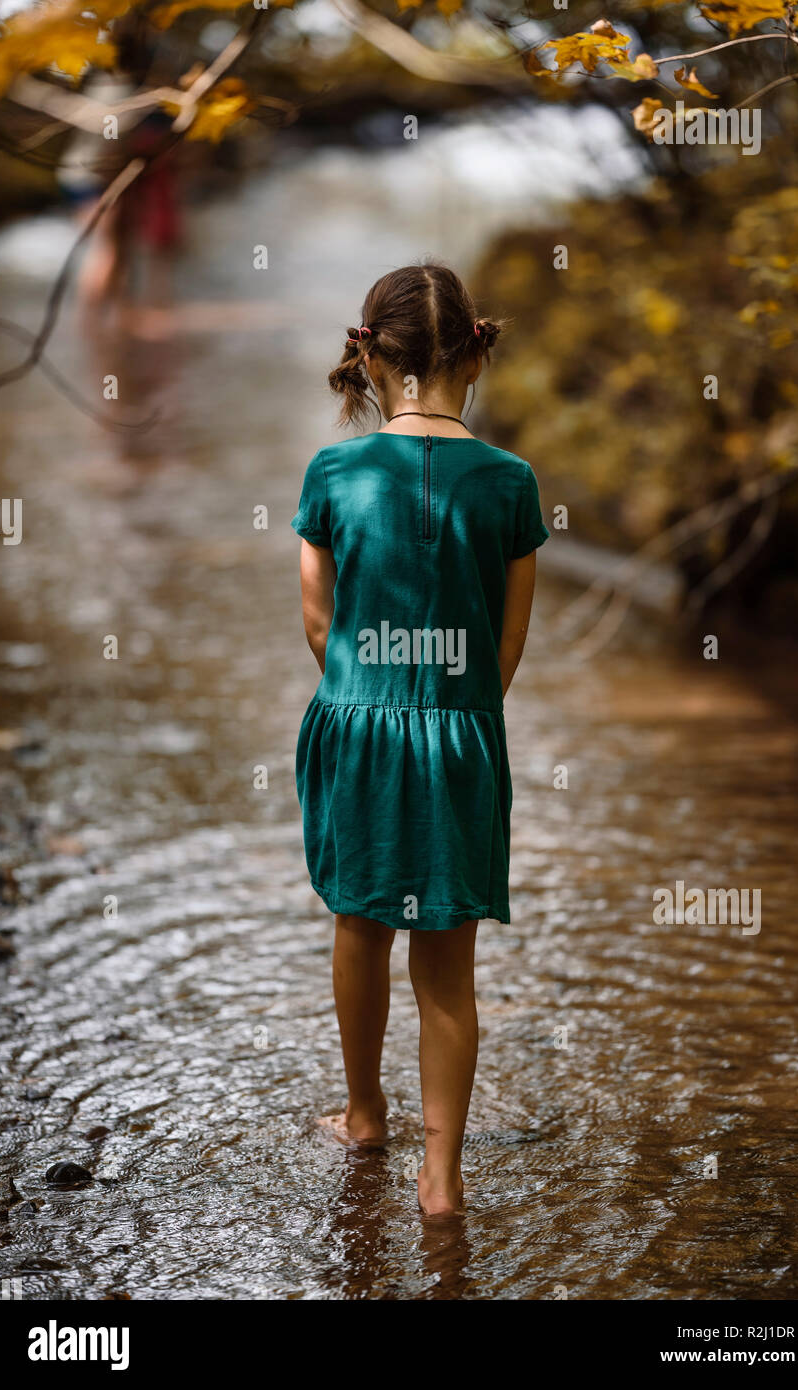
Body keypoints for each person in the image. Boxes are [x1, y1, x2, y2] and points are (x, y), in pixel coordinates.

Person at [292, 261, 549, 1216]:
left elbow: (320, 627)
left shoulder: (333, 472)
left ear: (369, 356)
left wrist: (368, 696)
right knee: (448, 958)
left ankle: (365, 1115)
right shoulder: (512, 483)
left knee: (359, 922)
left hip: (356, 725)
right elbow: (507, 642)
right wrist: (455, 716)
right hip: (461, 735)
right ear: (473, 356)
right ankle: (440, 1181)